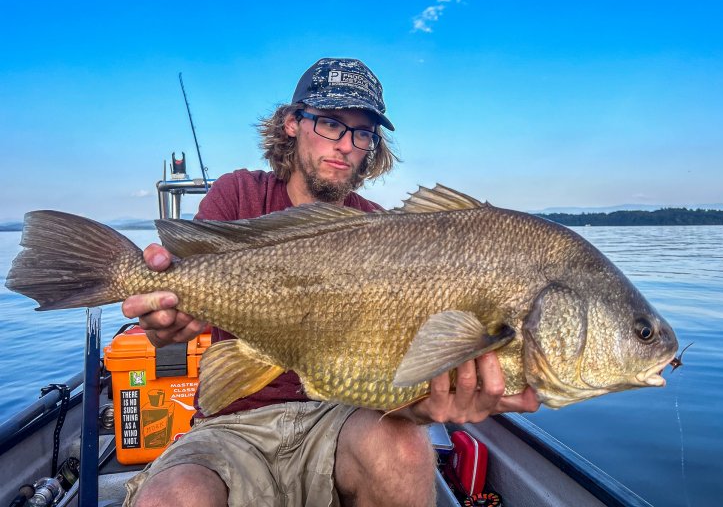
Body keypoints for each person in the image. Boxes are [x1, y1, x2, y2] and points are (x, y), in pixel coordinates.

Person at [121, 58, 540, 507]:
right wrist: (161, 316)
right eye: (330, 123)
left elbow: (393, 386)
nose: (344, 144)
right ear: (292, 123)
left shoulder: (384, 231)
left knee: (406, 448)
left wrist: (432, 402)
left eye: (362, 133)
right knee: (172, 495)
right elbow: (173, 300)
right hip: (232, 424)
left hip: (343, 418)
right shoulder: (238, 193)